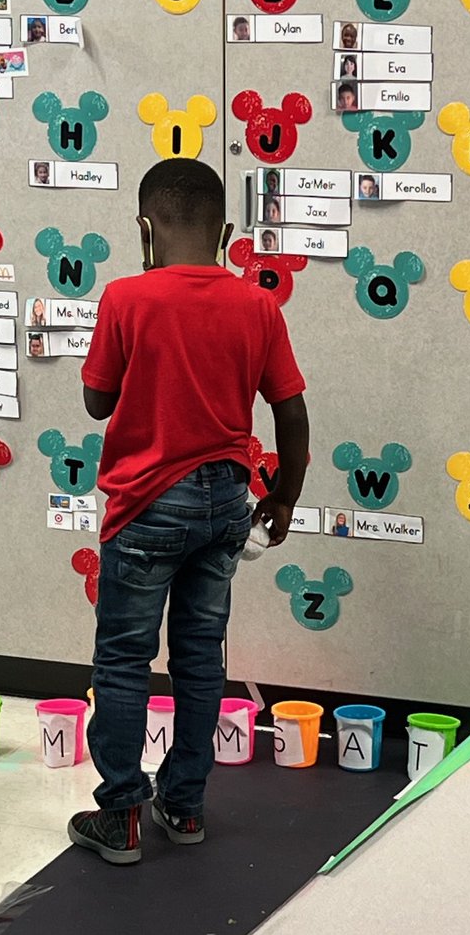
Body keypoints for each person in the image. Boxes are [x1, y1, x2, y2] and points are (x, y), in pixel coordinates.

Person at [68, 158, 309, 864]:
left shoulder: (125, 298)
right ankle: (186, 804)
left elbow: (97, 402)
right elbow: (291, 411)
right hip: (226, 504)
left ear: (146, 229)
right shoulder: (257, 305)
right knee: (201, 660)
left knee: (122, 659)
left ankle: (120, 816)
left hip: (146, 506)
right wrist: (284, 495)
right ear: (226, 231)